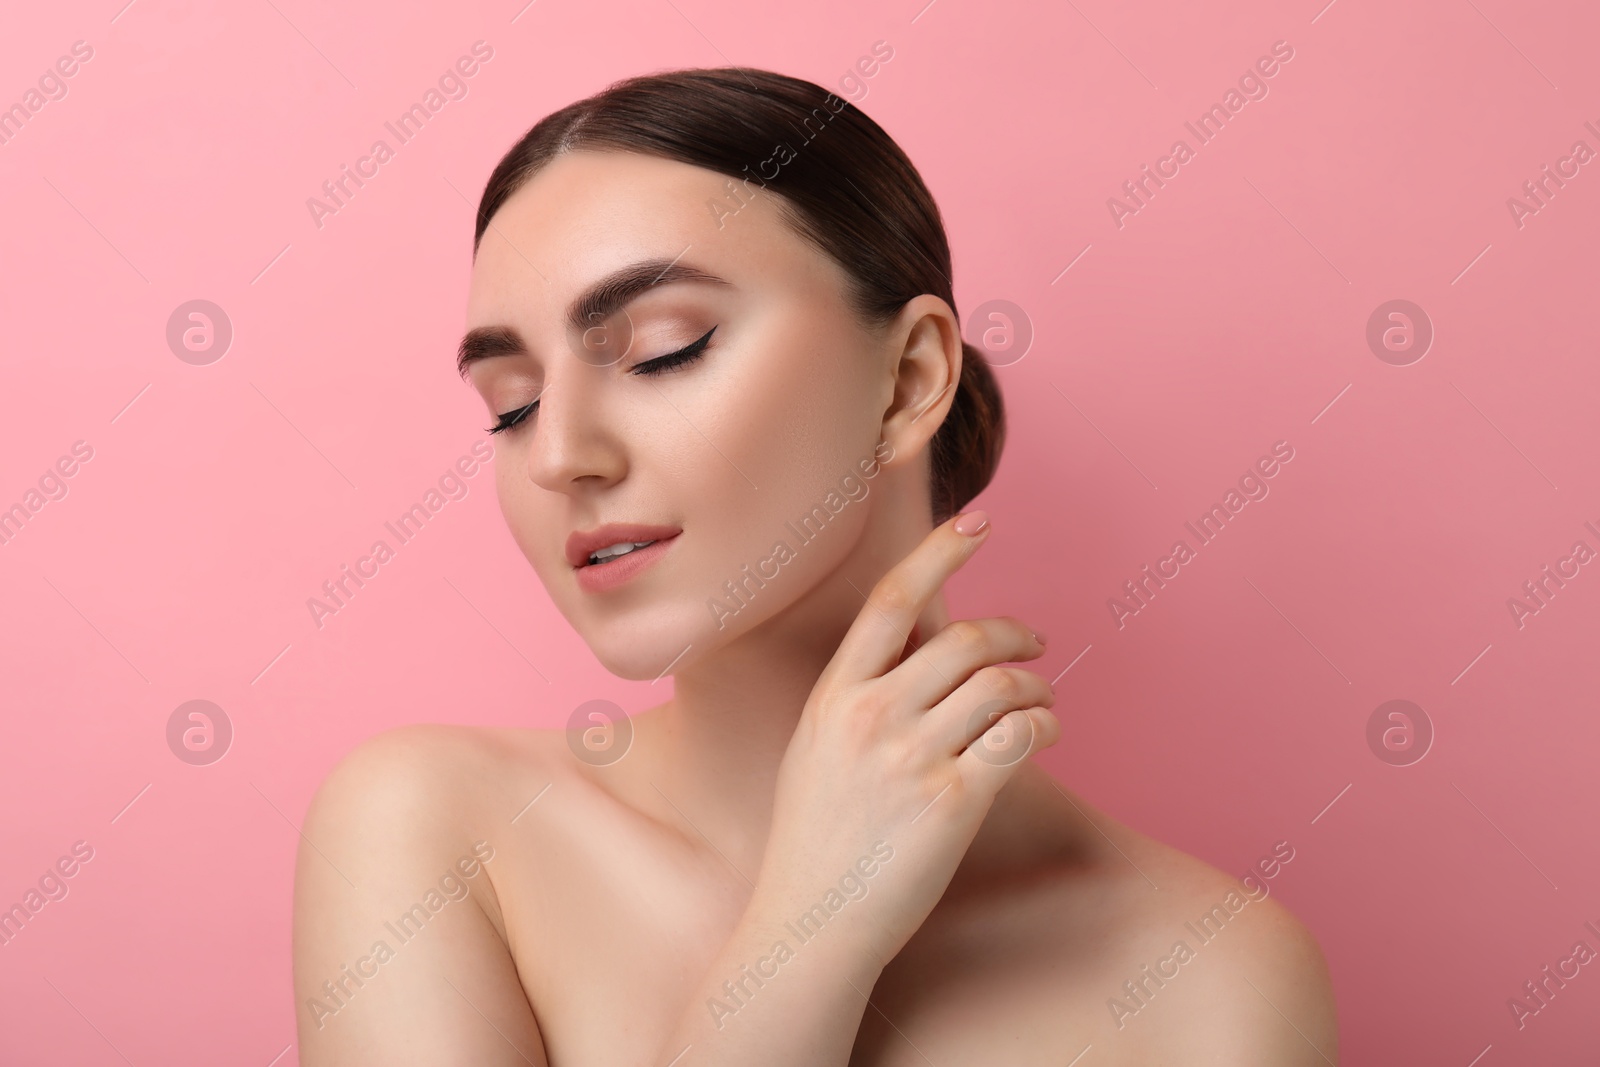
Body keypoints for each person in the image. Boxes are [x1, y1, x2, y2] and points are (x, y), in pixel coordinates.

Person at [292, 66, 1338, 1065]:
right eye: (510, 404)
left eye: (663, 349)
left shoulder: (1210, 973)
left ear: (906, 381)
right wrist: (809, 928)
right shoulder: (436, 830)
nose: (559, 452)